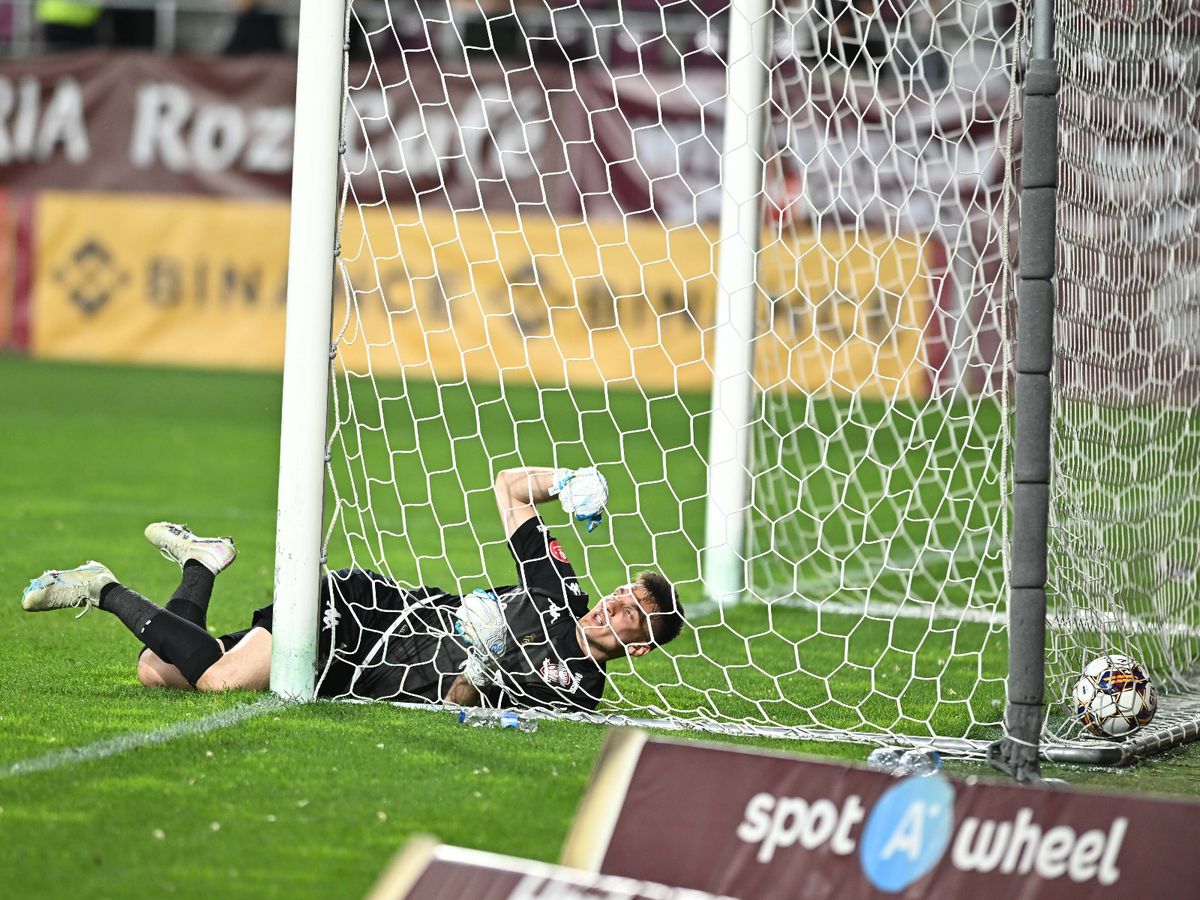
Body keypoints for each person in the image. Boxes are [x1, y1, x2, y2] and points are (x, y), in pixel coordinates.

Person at [20, 466, 685, 712]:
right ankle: (101, 588)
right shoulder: (559, 589)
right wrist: (564, 481)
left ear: (642, 647)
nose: (615, 605)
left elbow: (458, 699)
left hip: (363, 675)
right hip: (369, 617)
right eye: (624, 593)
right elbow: (509, 488)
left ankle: (201, 563)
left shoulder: (577, 691)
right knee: (218, 682)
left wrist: (479, 665)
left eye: (633, 615)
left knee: (155, 670)